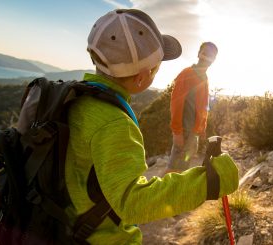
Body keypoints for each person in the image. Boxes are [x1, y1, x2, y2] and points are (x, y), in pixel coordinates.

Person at [65, 9, 238, 244]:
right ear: (142, 76)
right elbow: (131, 202)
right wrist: (210, 182)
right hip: (101, 238)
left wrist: (201, 128)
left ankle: (173, 204)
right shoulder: (114, 122)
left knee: (183, 164)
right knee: (175, 164)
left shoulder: (77, 100)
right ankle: (171, 205)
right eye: (158, 65)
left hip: (70, 224)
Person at [166, 42, 218, 173]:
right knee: (172, 171)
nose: (206, 58)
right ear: (198, 54)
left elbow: (203, 106)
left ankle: (176, 193)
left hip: (193, 133)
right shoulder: (187, 74)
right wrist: (177, 132)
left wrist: (202, 127)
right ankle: (155, 193)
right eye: (204, 53)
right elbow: (176, 103)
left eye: (211, 55)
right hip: (183, 131)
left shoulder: (204, 78)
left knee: (183, 169)